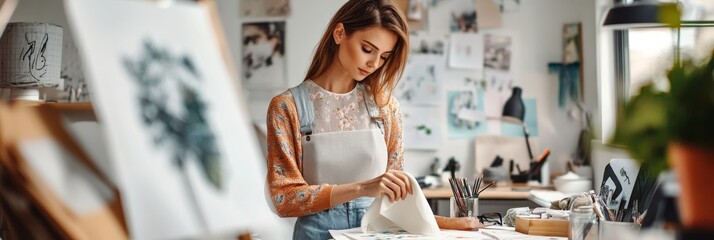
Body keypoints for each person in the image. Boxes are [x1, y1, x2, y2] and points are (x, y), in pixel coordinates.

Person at [265, 1, 482, 239]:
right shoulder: (287, 107)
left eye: (384, 56)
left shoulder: (385, 108)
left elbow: (397, 197)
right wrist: (362, 188)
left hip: (377, 231)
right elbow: (283, 199)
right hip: (316, 233)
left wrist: (448, 223)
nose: (374, 64)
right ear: (339, 34)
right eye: (368, 49)